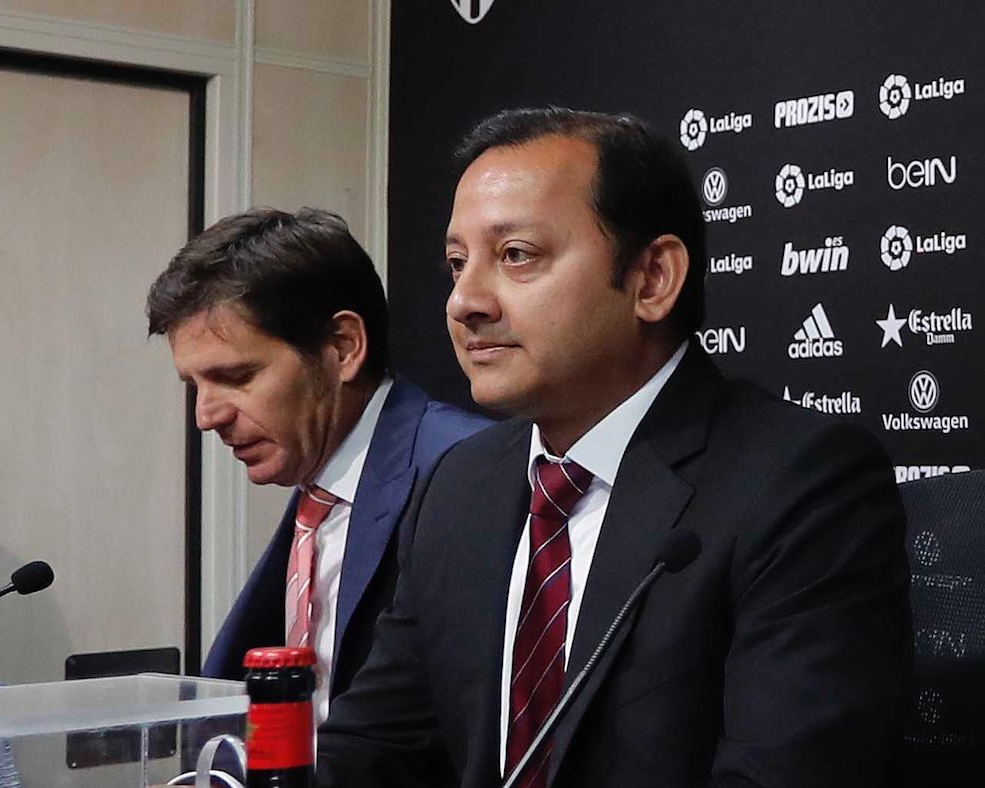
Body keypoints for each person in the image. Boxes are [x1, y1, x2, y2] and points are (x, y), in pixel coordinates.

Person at [316, 108, 912, 787]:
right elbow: (373, 747)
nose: (464, 301)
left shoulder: (801, 484)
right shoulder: (461, 485)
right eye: (457, 264)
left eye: (516, 255)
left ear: (652, 278)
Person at [146, 207, 490, 727]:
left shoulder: (468, 473)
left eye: (236, 377)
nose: (206, 416)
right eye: (195, 386)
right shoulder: (320, 489)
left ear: (343, 348)